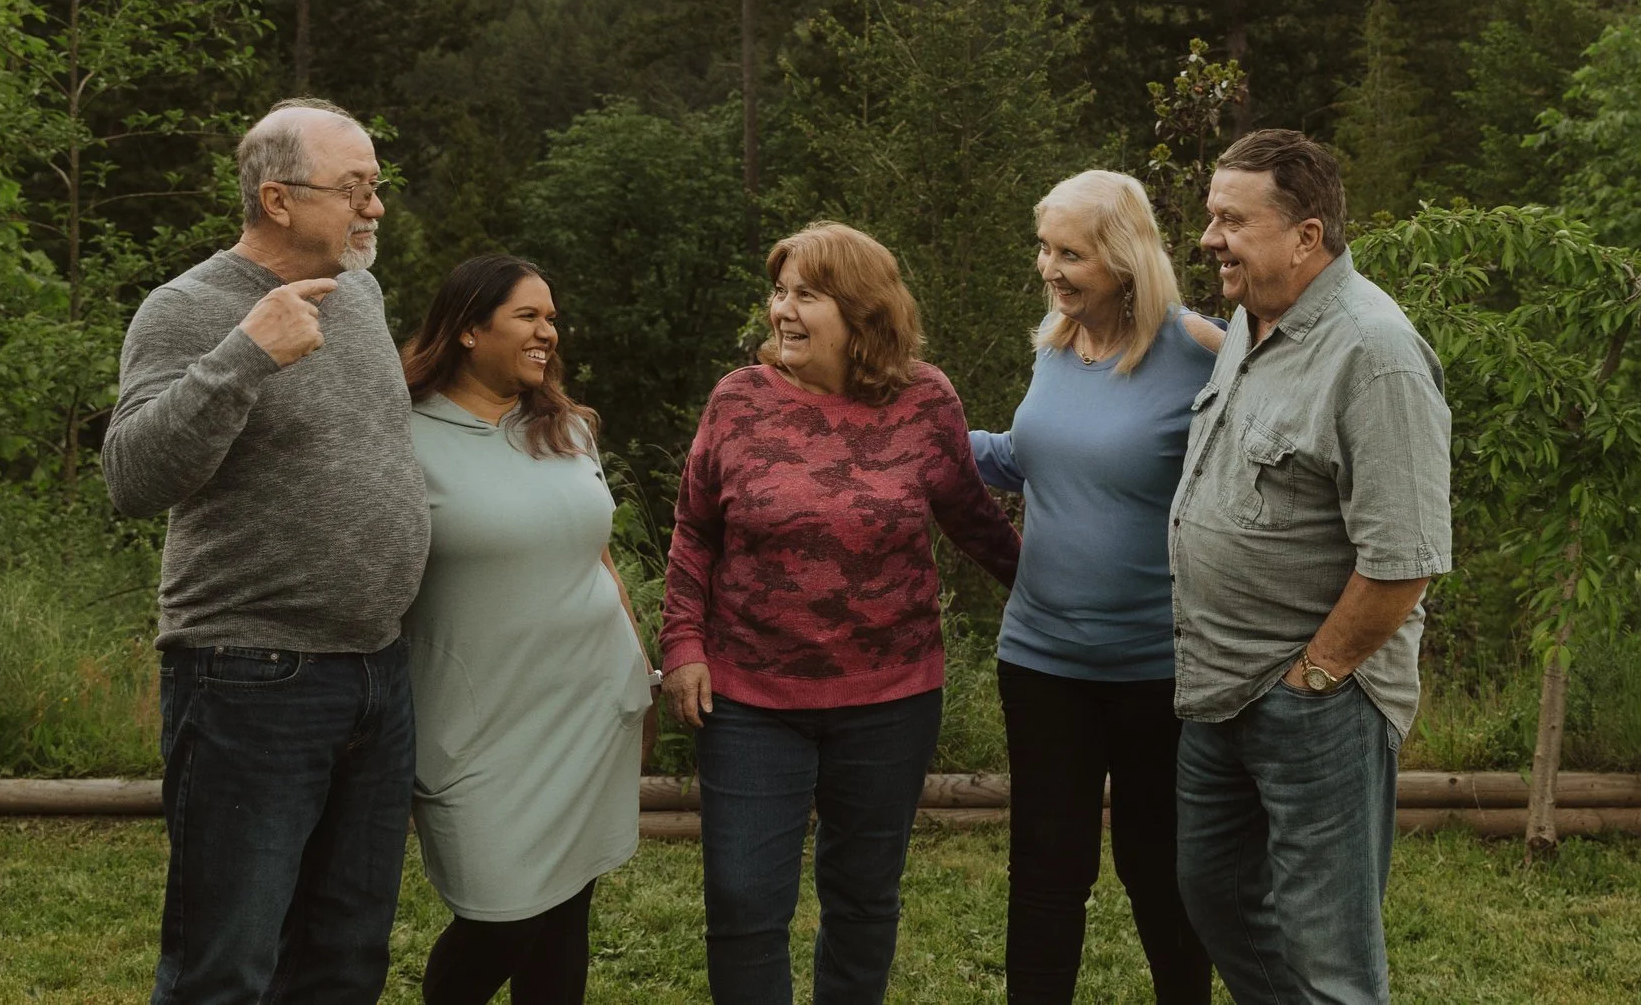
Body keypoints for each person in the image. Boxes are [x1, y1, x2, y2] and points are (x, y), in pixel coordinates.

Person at [102, 98, 429, 1005]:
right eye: (354, 187)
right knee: (227, 965)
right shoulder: (187, 308)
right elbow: (132, 477)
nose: (375, 207)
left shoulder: (358, 291)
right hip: (251, 677)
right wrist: (244, 354)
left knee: (345, 957)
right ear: (278, 199)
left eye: (376, 184)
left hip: (376, 669)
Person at [660, 222, 1021, 1005]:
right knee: (744, 900)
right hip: (751, 696)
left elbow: (975, 522)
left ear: (861, 310)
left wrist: (1071, 596)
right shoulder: (738, 399)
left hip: (891, 698)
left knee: (862, 898)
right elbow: (694, 531)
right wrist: (683, 641)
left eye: (805, 295)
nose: (782, 309)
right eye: (779, 290)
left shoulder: (925, 399)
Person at [1168, 129, 1453, 1005]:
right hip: (1219, 689)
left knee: (1329, 950)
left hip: (1315, 700)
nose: (1210, 237)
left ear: (1307, 235)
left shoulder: (1375, 353)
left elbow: (1404, 561)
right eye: (1210, 215)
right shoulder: (1254, 324)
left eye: (1231, 220)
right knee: (1214, 891)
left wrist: (1315, 677)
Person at [968, 170, 1223, 1005]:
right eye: (1044, 248)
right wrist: (924, 429)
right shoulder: (1055, 345)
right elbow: (1026, 457)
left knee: (1158, 866)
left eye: (1070, 252)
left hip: (1158, 666)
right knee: (1046, 868)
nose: (1050, 267)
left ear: (1122, 259)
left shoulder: (1202, 348)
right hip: (1042, 660)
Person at [399, 255, 659, 1005]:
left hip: (589, 708)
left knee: (566, 908)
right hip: (476, 723)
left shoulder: (566, 428)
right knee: (500, 917)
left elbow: (600, 559)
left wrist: (638, 677)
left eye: (551, 316)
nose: (548, 331)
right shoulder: (403, 433)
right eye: (528, 316)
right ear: (470, 329)